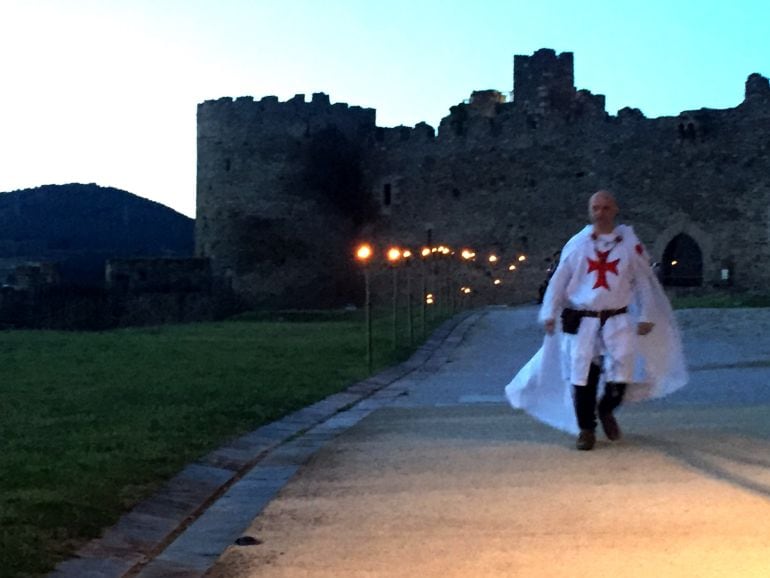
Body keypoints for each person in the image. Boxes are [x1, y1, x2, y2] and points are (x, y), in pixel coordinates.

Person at [505, 190, 688, 450]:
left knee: (621, 374)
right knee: (582, 376)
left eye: (605, 207)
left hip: (617, 319)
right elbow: (560, 280)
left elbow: (643, 281)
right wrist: (549, 312)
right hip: (583, 321)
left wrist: (646, 314)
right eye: (596, 208)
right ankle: (586, 430)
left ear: (614, 210)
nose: (600, 212)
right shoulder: (578, 244)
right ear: (590, 211)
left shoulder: (628, 245)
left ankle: (606, 409)